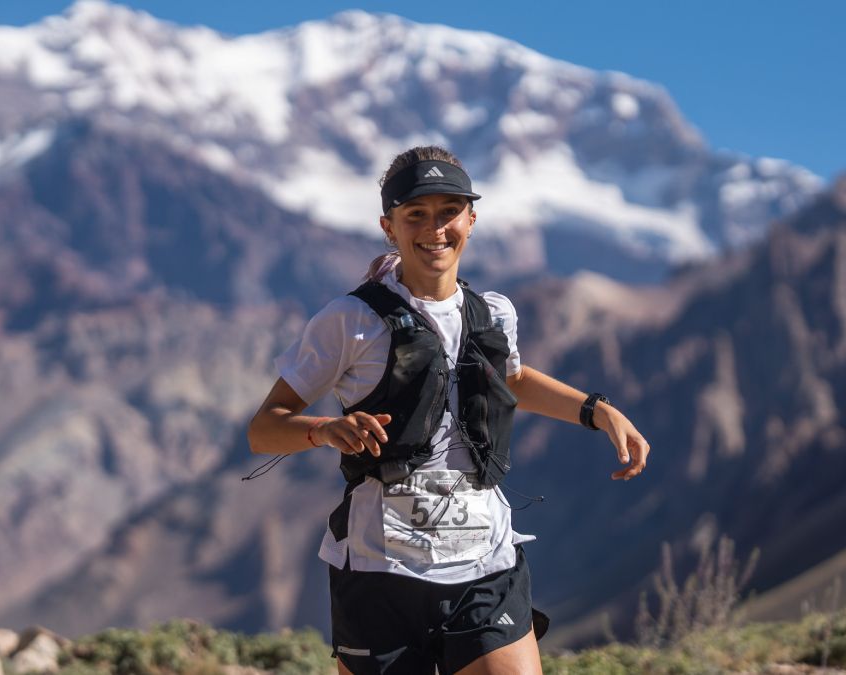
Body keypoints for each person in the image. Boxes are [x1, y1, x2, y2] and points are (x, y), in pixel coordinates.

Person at [247, 146, 651, 675]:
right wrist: (326, 429)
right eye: (415, 214)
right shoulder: (349, 321)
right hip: (378, 567)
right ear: (389, 227)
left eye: (448, 212)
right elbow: (264, 429)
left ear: (472, 220)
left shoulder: (493, 313)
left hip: (484, 561)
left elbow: (510, 380)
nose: (435, 229)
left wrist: (598, 411)